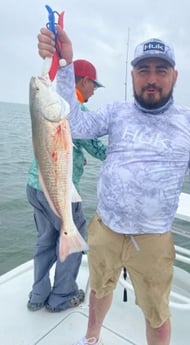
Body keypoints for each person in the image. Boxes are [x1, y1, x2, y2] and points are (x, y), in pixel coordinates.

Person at [37, 26, 190, 345]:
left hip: (153, 238)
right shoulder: (116, 112)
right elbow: (76, 125)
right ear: (133, 75)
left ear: (174, 76)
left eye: (160, 70)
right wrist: (66, 65)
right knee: (98, 289)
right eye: (143, 70)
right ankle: (91, 338)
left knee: (157, 312)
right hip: (105, 228)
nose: (152, 78)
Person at [26, 58, 107, 313]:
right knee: (72, 234)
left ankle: (37, 296)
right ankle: (62, 296)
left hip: (35, 188)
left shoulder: (58, 108)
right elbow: (98, 149)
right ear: (83, 81)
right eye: (94, 85)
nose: (94, 91)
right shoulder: (75, 111)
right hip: (59, 192)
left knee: (45, 241)